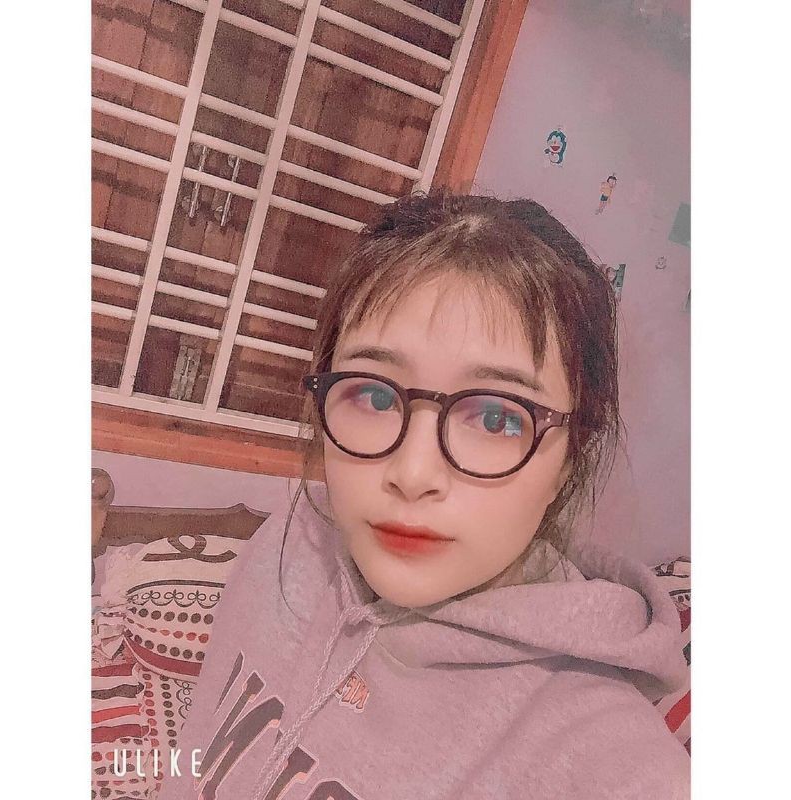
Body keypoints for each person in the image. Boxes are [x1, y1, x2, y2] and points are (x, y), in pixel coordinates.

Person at [156, 189, 689, 800]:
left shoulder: (613, 766)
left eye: (496, 417)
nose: (412, 473)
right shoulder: (290, 541)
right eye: (374, 395)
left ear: (568, 462)